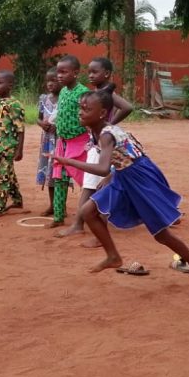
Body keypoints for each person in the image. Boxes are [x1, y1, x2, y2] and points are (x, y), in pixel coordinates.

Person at [52, 90, 189, 292]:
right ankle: (113, 256)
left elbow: (105, 166)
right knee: (87, 212)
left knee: (161, 235)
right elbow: (124, 154)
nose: (80, 113)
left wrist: (67, 161)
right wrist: (112, 176)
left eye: (86, 109)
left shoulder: (106, 134)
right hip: (123, 175)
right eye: (80, 108)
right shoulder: (96, 131)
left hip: (140, 178)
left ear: (102, 113)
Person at [80, 57, 134, 248]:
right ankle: (81, 222)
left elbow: (128, 107)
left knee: (98, 186)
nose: (91, 75)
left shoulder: (105, 94)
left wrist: (110, 125)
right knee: (99, 185)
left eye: (95, 72)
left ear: (107, 74)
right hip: (97, 143)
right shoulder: (96, 93)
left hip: (104, 144)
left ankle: (89, 227)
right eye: (89, 72)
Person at [50, 55, 90, 233]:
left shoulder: (83, 93)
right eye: (58, 72)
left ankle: (93, 216)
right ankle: (58, 217)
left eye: (63, 72)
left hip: (80, 144)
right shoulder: (64, 91)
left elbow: (89, 117)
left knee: (88, 182)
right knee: (59, 179)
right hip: (63, 143)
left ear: (75, 73)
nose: (59, 76)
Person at [0, 70, 26, 218]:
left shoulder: (15, 105)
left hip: (8, 147)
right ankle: (17, 200)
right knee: (8, 174)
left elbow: (20, 129)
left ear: (10, 85)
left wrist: (19, 150)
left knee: (4, 177)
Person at [36, 67, 60, 215]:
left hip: (59, 141)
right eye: (48, 81)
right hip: (46, 141)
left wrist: (58, 127)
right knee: (49, 173)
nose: (50, 84)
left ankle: (59, 205)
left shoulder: (65, 99)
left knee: (58, 173)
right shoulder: (43, 99)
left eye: (54, 80)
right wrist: (41, 124)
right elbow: (38, 117)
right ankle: (52, 205)